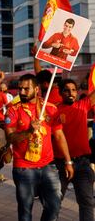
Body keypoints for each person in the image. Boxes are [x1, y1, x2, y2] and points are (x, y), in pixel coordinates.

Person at [5, 74, 74, 221]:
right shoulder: (13, 110)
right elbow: (10, 138)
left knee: (54, 206)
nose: (22, 92)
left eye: (26, 89)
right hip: (24, 168)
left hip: (48, 166)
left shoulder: (50, 108)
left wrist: (68, 162)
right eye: (20, 89)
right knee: (25, 211)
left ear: (36, 89)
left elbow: (59, 135)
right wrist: (29, 131)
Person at [53, 79, 95, 221]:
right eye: (66, 90)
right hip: (61, 165)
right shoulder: (54, 111)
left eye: (73, 90)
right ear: (60, 93)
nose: (71, 93)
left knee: (87, 203)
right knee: (54, 204)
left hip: (83, 164)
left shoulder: (82, 105)